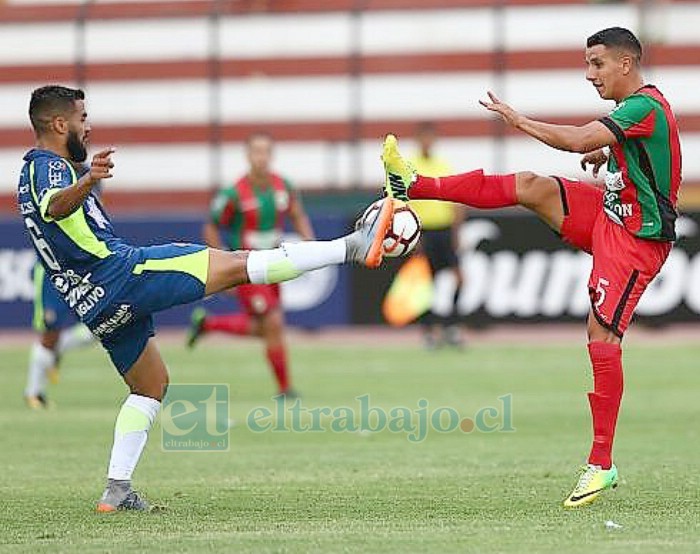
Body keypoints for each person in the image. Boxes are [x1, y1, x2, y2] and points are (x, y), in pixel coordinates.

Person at [17, 85, 394, 512]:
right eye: (82, 119)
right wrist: (88, 179)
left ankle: (117, 490)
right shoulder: (49, 167)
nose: (88, 127)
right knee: (238, 265)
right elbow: (55, 208)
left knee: (150, 386)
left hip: (95, 300)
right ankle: (352, 247)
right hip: (120, 274)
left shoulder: (36, 172)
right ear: (58, 124)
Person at [380, 27, 680, 507]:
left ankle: (601, 464)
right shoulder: (635, 111)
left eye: (597, 64)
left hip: (636, 240)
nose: (589, 74)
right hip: (610, 215)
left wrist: (519, 120)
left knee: (601, 335)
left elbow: (579, 139)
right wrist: (611, 153)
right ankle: (413, 184)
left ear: (626, 63)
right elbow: (621, 146)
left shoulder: (646, 106)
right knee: (530, 185)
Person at [186, 132, 314, 397]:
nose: (261, 157)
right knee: (274, 323)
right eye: (256, 151)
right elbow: (211, 226)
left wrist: (311, 246)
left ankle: (209, 325)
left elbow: (297, 215)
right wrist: (222, 264)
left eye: (266, 151)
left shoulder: (283, 186)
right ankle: (285, 389)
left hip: (277, 265)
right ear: (248, 156)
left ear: (272, 155)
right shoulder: (234, 193)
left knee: (266, 327)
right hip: (248, 267)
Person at [408, 122, 467, 348]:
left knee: (459, 278)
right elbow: (402, 201)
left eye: (430, 138)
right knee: (424, 283)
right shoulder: (410, 166)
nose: (427, 142)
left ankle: (452, 326)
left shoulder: (443, 164)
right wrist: (413, 235)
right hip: (423, 231)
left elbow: (456, 199)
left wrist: (457, 230)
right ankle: (429, 331)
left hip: (444, 230)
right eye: (423, 138)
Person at [24, 262, 94, 408]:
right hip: (49, 291)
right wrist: (48, 305)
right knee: (49, 339)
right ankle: (33, 394)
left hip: (66, 284)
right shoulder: (46, 261)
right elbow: (36, 272)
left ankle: (51, 355)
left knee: (92, 332)